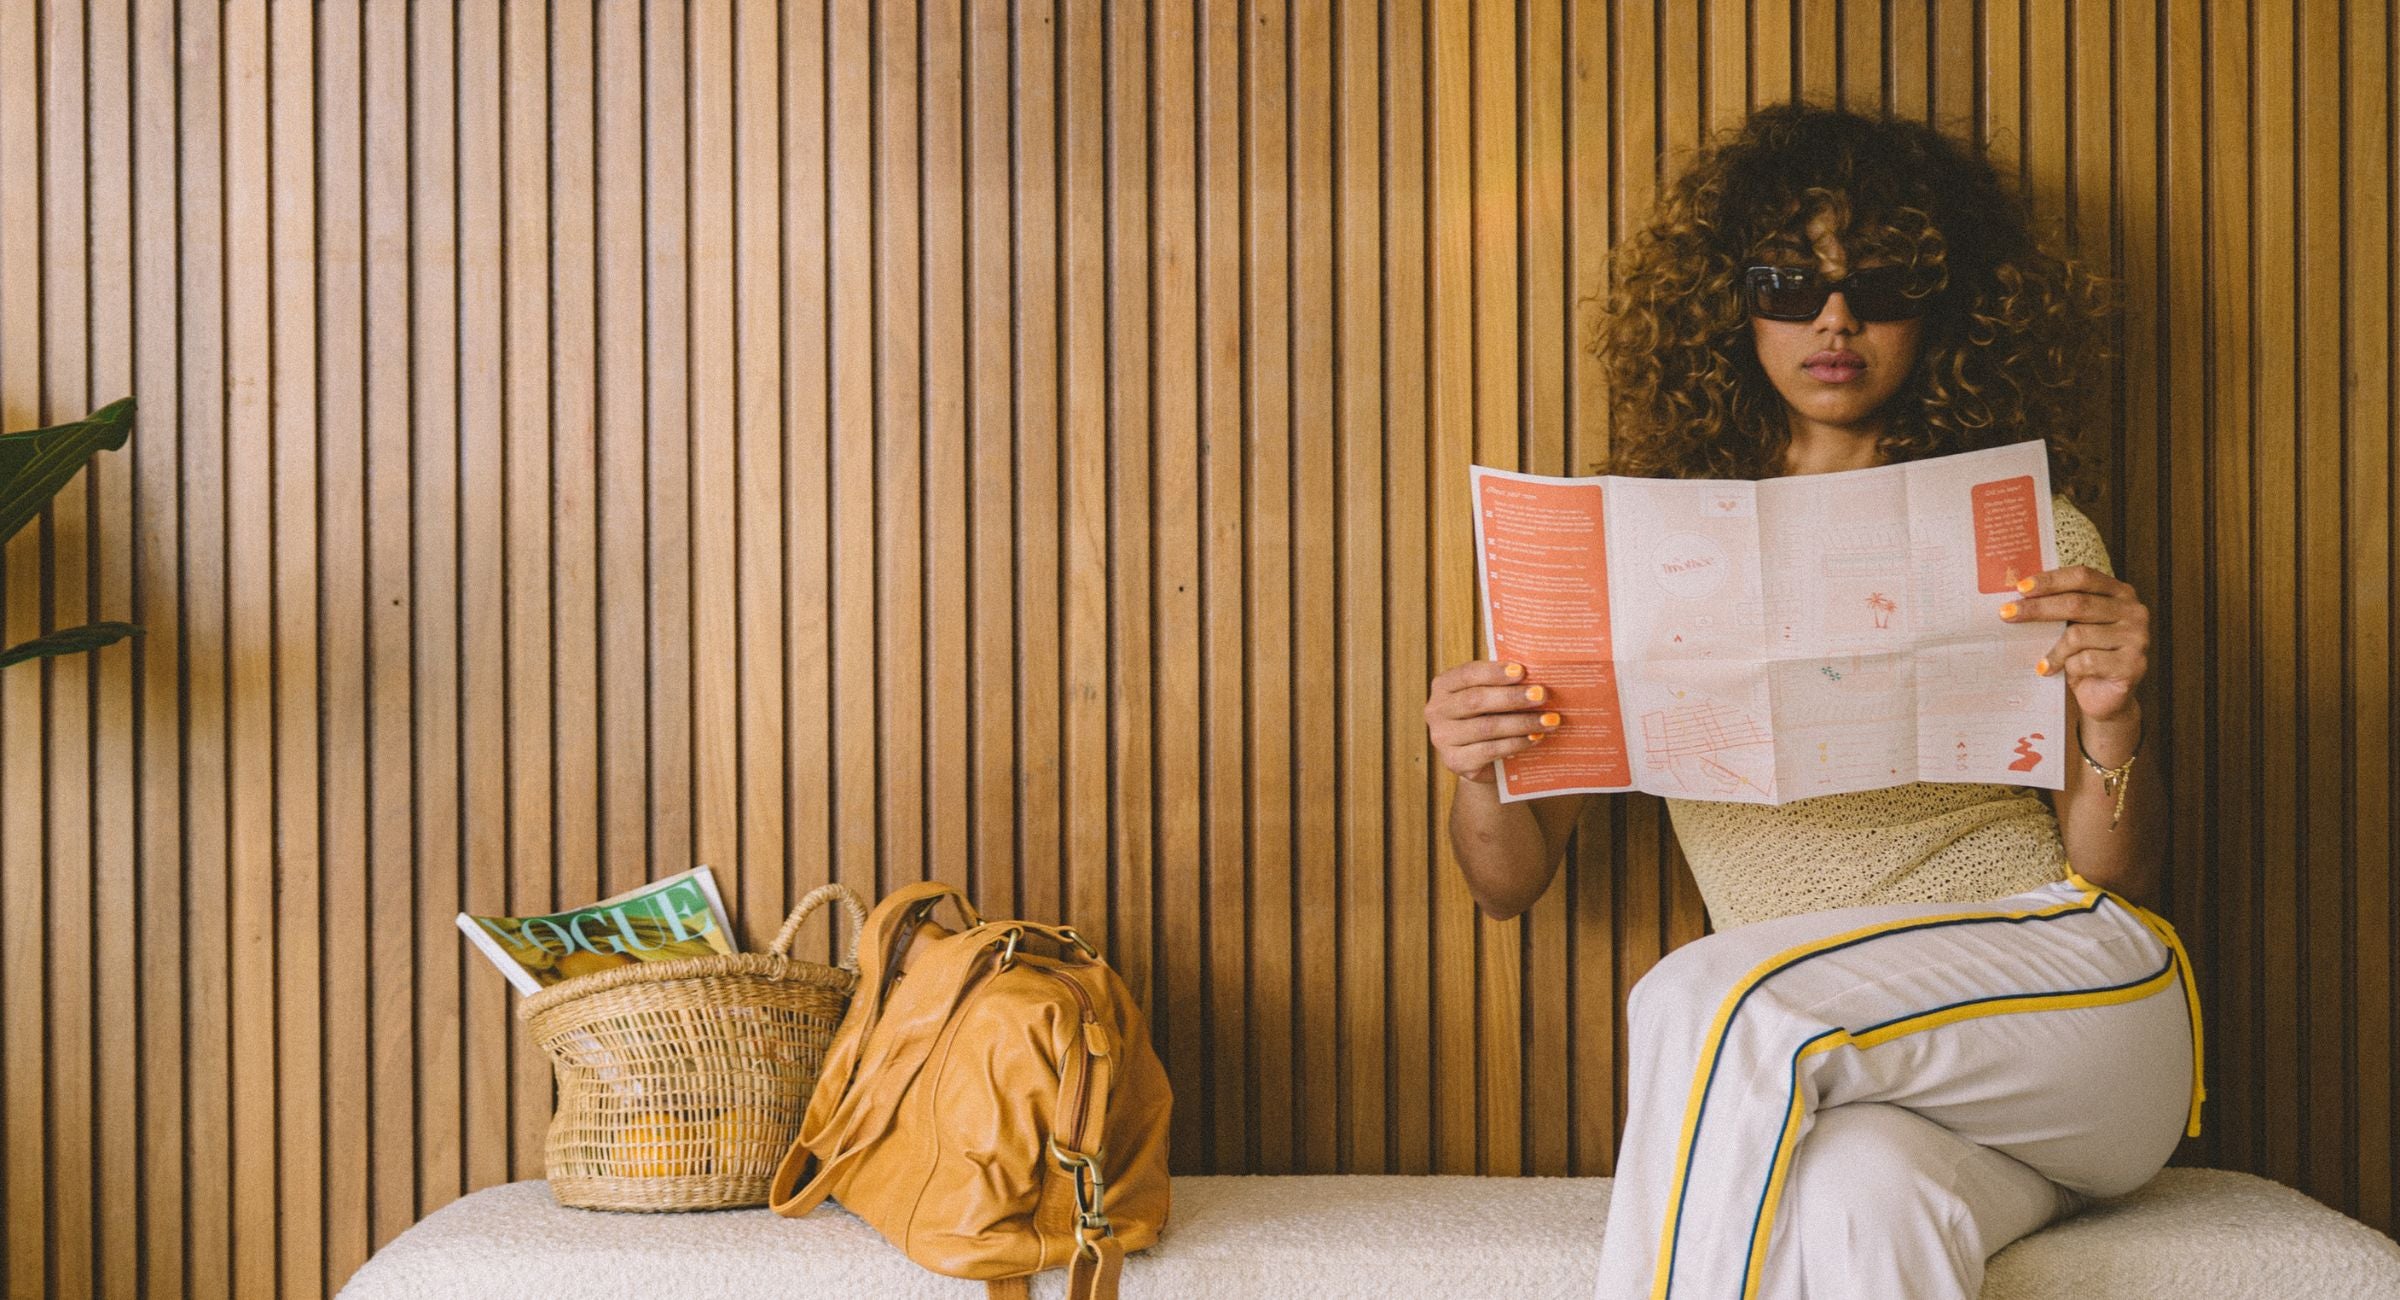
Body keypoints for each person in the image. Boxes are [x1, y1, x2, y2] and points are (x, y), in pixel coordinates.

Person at [1423, 103, 2201, 1299]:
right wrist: (1482, 767)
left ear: (1944, 310)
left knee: (1703, 993)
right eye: (1789, 281)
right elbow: (1507, 880)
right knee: (1857, 1201)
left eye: (1881, 284)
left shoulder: (2028, 533)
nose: (1834, 318)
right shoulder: (1640, 552)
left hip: (2077, 1007)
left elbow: (2117, 876)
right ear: (1731, 307)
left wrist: (2114, 728)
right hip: (1877, 1084)